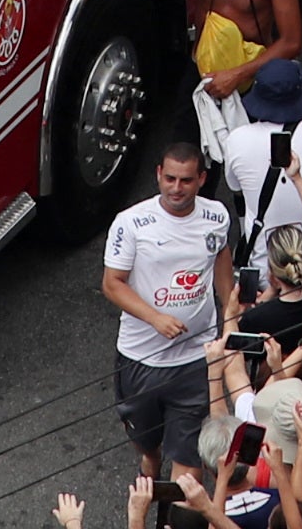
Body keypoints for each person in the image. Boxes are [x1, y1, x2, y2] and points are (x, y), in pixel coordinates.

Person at [104, 145, 234, 497]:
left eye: (187, 180)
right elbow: (112, 283)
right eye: (170, 179)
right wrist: (156, 318)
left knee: (188, 470)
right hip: (141, 359)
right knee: (146, 439)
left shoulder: (217, 216)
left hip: (194, 358)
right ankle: (150, 455)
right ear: (159, 174)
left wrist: (230, 312)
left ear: (202, 179)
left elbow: (221, 257)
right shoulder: (131, 223)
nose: (177, 188)